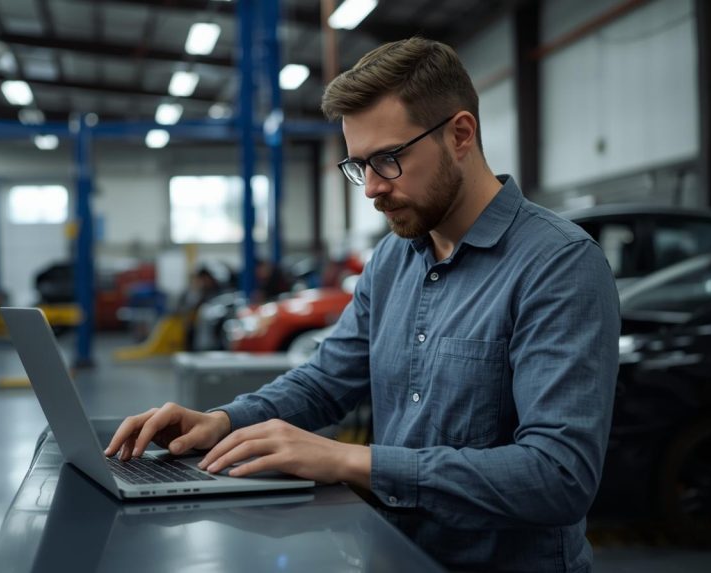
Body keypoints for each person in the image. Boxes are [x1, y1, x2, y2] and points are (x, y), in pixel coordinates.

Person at [105, 37, 619, 573]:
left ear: (460, 135)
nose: (371, 188)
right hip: (394, 555)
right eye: (358, 167)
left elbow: (559, 476)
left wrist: (350, 460)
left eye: (388, 160)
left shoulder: (558, 265)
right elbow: (327, 381)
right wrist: (223, 419)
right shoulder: (393, 259)